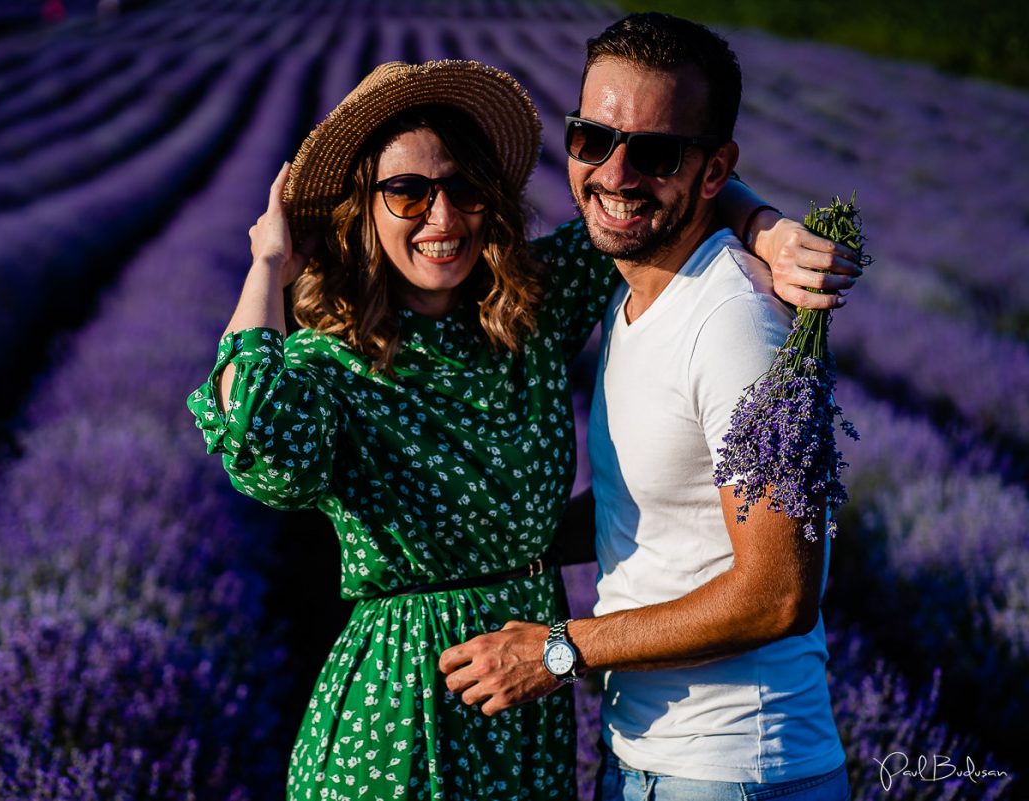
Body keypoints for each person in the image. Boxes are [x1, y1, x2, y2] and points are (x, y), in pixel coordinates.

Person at [188, 58, 857, 800]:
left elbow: (643, 201)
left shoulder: (527, 309)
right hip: (403, 711)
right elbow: (256, 444)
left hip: (530, 699)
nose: (442, 219)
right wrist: (268, 263)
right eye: (407, 193)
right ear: (364, 209)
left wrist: (762, 226)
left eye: (464, 189)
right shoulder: (332, 362)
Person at [440, 14, 853, 801]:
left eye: (656, 152)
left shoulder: (738, 326)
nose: (616, 173)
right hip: (650, 758)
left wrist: (558, 649)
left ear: (712, 169)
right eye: (593, 138)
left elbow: (779, 592)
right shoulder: (633, 293)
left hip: (733, 769)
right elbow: (666, 504)